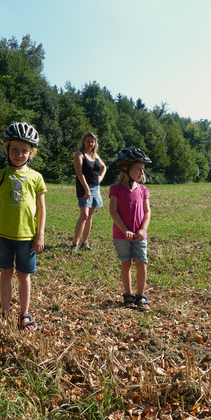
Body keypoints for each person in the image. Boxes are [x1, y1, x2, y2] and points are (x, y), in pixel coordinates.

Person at [0, 122, 47, 331]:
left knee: (24, 275)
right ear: (7, 150)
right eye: (14, 149)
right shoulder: (0, 176)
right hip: (3, 235)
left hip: (27, 237)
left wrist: (40, 235)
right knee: (5, 273)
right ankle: (5, 312)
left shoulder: (36, 177)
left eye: (24, 150)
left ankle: (25, 313)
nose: (19, 154)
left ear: (31, 152)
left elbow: (41, 209)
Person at [109, 147, 154, 309]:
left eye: (142, 169)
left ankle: (141, 295)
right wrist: (124, 229)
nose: (141, 173)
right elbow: (113, 211)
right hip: (121, 236)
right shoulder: (116, 189)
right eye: (138, 169)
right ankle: (128, 294)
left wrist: (142, 229)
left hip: (140, 235)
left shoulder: (143, 190)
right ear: (125, 168)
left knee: (141, 263)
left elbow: (147, 212)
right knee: (126, 264)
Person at [72, 132, 107, 250]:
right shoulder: (79, 154)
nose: (90, 144)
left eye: (92, 141)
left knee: (90, 216)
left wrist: (101, 177)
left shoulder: (95, 155)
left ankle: (85, 242)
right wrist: (86, 189)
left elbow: (104, 167)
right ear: (84, 141)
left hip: (95, 187)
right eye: (88, 141)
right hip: (83, 187)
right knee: (84, 215)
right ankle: (75, 244)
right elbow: (79, 172)